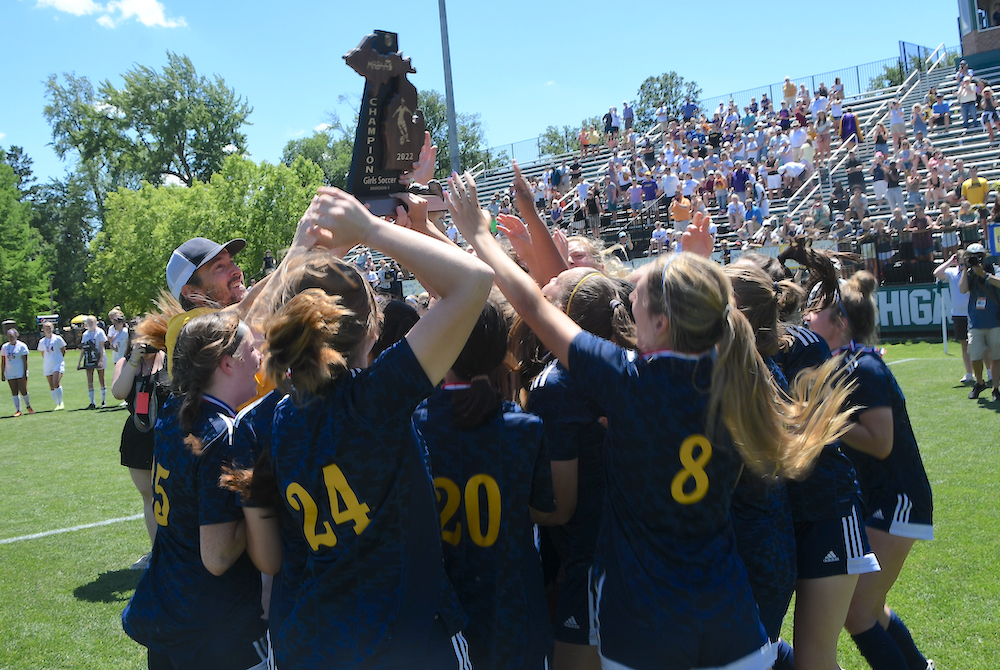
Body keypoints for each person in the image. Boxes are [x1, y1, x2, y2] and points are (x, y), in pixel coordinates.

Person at [447, 172, 853, 670]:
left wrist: (478, 235)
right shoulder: (733, 374)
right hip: (733, 625)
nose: (625, 302)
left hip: (648, 631)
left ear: (660, 322)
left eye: (634, 298)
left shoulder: (629, 382)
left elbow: (532, 306)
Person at [261, 186, 493, 668]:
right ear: (374, 328)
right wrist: (371, 229)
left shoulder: (281, 415)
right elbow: (474, 280)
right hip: (406, 638)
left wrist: (303, 259)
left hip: (319, 637)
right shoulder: (374, 399)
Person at [413, 299, 556, 670]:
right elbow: (544, 508)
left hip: (443, 612)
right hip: (511, 605)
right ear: (500, 351)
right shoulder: (524, 427)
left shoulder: (413, 425)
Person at [121, 312, 269, 670]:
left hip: (168, 605)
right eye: (252, 349)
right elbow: (216, 557)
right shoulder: (224, 433)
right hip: (213, 629)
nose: (260, 358)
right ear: (227, 363)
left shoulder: (175, 410)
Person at [804, 272, 936, 670]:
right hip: (884, 499)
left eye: (818, 310)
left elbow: (881, 442)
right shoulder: (844, 364)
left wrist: (824, 420)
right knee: (871, 609)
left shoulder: (864, 368)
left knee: (857, 613)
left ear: (840, 321)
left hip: (898, 501)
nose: (808, 317)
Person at [522, 268, 636, 670]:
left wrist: (512, 509)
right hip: (644, 553)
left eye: (548, 292)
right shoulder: (633, 362)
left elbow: (562, 507)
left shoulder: (555, 385)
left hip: (594, 561)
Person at [111, 331, 170, 570]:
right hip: (139, 437)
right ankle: (158, 552)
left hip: (169, 436)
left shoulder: (169, 359)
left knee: (175, 493)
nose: (147, 345)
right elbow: (119, 393)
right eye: (141, 340)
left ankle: (181, 548)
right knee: (149, 496)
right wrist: (134, 359)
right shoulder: (126, 364)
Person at [959, 243, 1000, 400]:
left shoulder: (993, 269)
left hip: (995, 320)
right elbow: (962, 289)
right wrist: (965, 268)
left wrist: (984, 274)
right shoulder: (969, 273)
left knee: (996, 357)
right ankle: (980, 382)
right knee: (975, 355)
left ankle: (996, 388)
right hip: (976, 322)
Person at [934, 251, 978, 384]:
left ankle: (988, 372)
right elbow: (937, 273)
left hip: (974, 313)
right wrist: (949, 261)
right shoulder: (952, 272)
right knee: (964, 345)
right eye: (960, 260)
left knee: (980, 344)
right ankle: (969, 373)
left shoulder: (973, 272)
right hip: (959, 314)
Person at [77, 315, 107, 409]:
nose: (90, 324)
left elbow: (102, 347)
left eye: (92, 322)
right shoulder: (86, 334)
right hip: (89, 358)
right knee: (90, 380)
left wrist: (101, 359)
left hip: (98, 356)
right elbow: (83, 348)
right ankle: (92, 402)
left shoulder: (100, 332)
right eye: (88, 322)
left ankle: (103, 401)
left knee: (101, 378)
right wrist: (79, 361)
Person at [2, 329, 33, 416]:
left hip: (20, 371)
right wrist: (2, 373)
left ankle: (28, 406)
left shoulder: (21, 346)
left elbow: (25, 361)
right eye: (8, 336)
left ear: (16, 336)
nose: (10, 338)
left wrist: (24, 372)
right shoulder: (5, 347)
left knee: (23, 390)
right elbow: (3, 361)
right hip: (10, 372)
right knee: (14, 391)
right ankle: (18, 410)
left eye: (12, 336)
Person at [37, 321, 67, 410]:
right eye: (46, 328)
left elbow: (63, 350)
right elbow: (43, 353)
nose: (48, 329)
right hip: (47, 364)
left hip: (58, 363)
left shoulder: (58, 339)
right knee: (51, 385)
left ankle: (61, 403)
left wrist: (59, 359)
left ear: (53, 328)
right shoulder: (42, 341)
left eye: (49, 328)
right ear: (43, 330)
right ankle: (56, 403)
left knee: (56, 382)